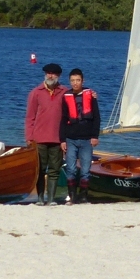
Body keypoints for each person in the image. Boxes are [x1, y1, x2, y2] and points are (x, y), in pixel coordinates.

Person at [24, 63, 66, 205]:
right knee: (40, 169)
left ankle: (52, 199)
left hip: (58, 139)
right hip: (39, 139)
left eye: (53, 73)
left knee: (55, 169)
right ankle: (40, 198)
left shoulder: (65, 92)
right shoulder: (36, 92)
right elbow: (30, 117)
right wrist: (29, 137)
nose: (50, 75)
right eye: (48, 73)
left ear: (58, 75)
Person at [59, 68, 100, 205]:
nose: (75, 83)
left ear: (83, 81)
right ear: (69, 81)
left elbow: (97, 118)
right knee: (70, 168)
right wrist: (62, 140)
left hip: (87, 139)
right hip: (70, 139)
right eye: (72, 80)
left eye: (78, 80)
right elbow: (63, 119)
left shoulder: (91, 96)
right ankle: (72, 197)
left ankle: (83, 197)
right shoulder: (66, 97)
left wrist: (95, 136)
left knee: (85, 170)